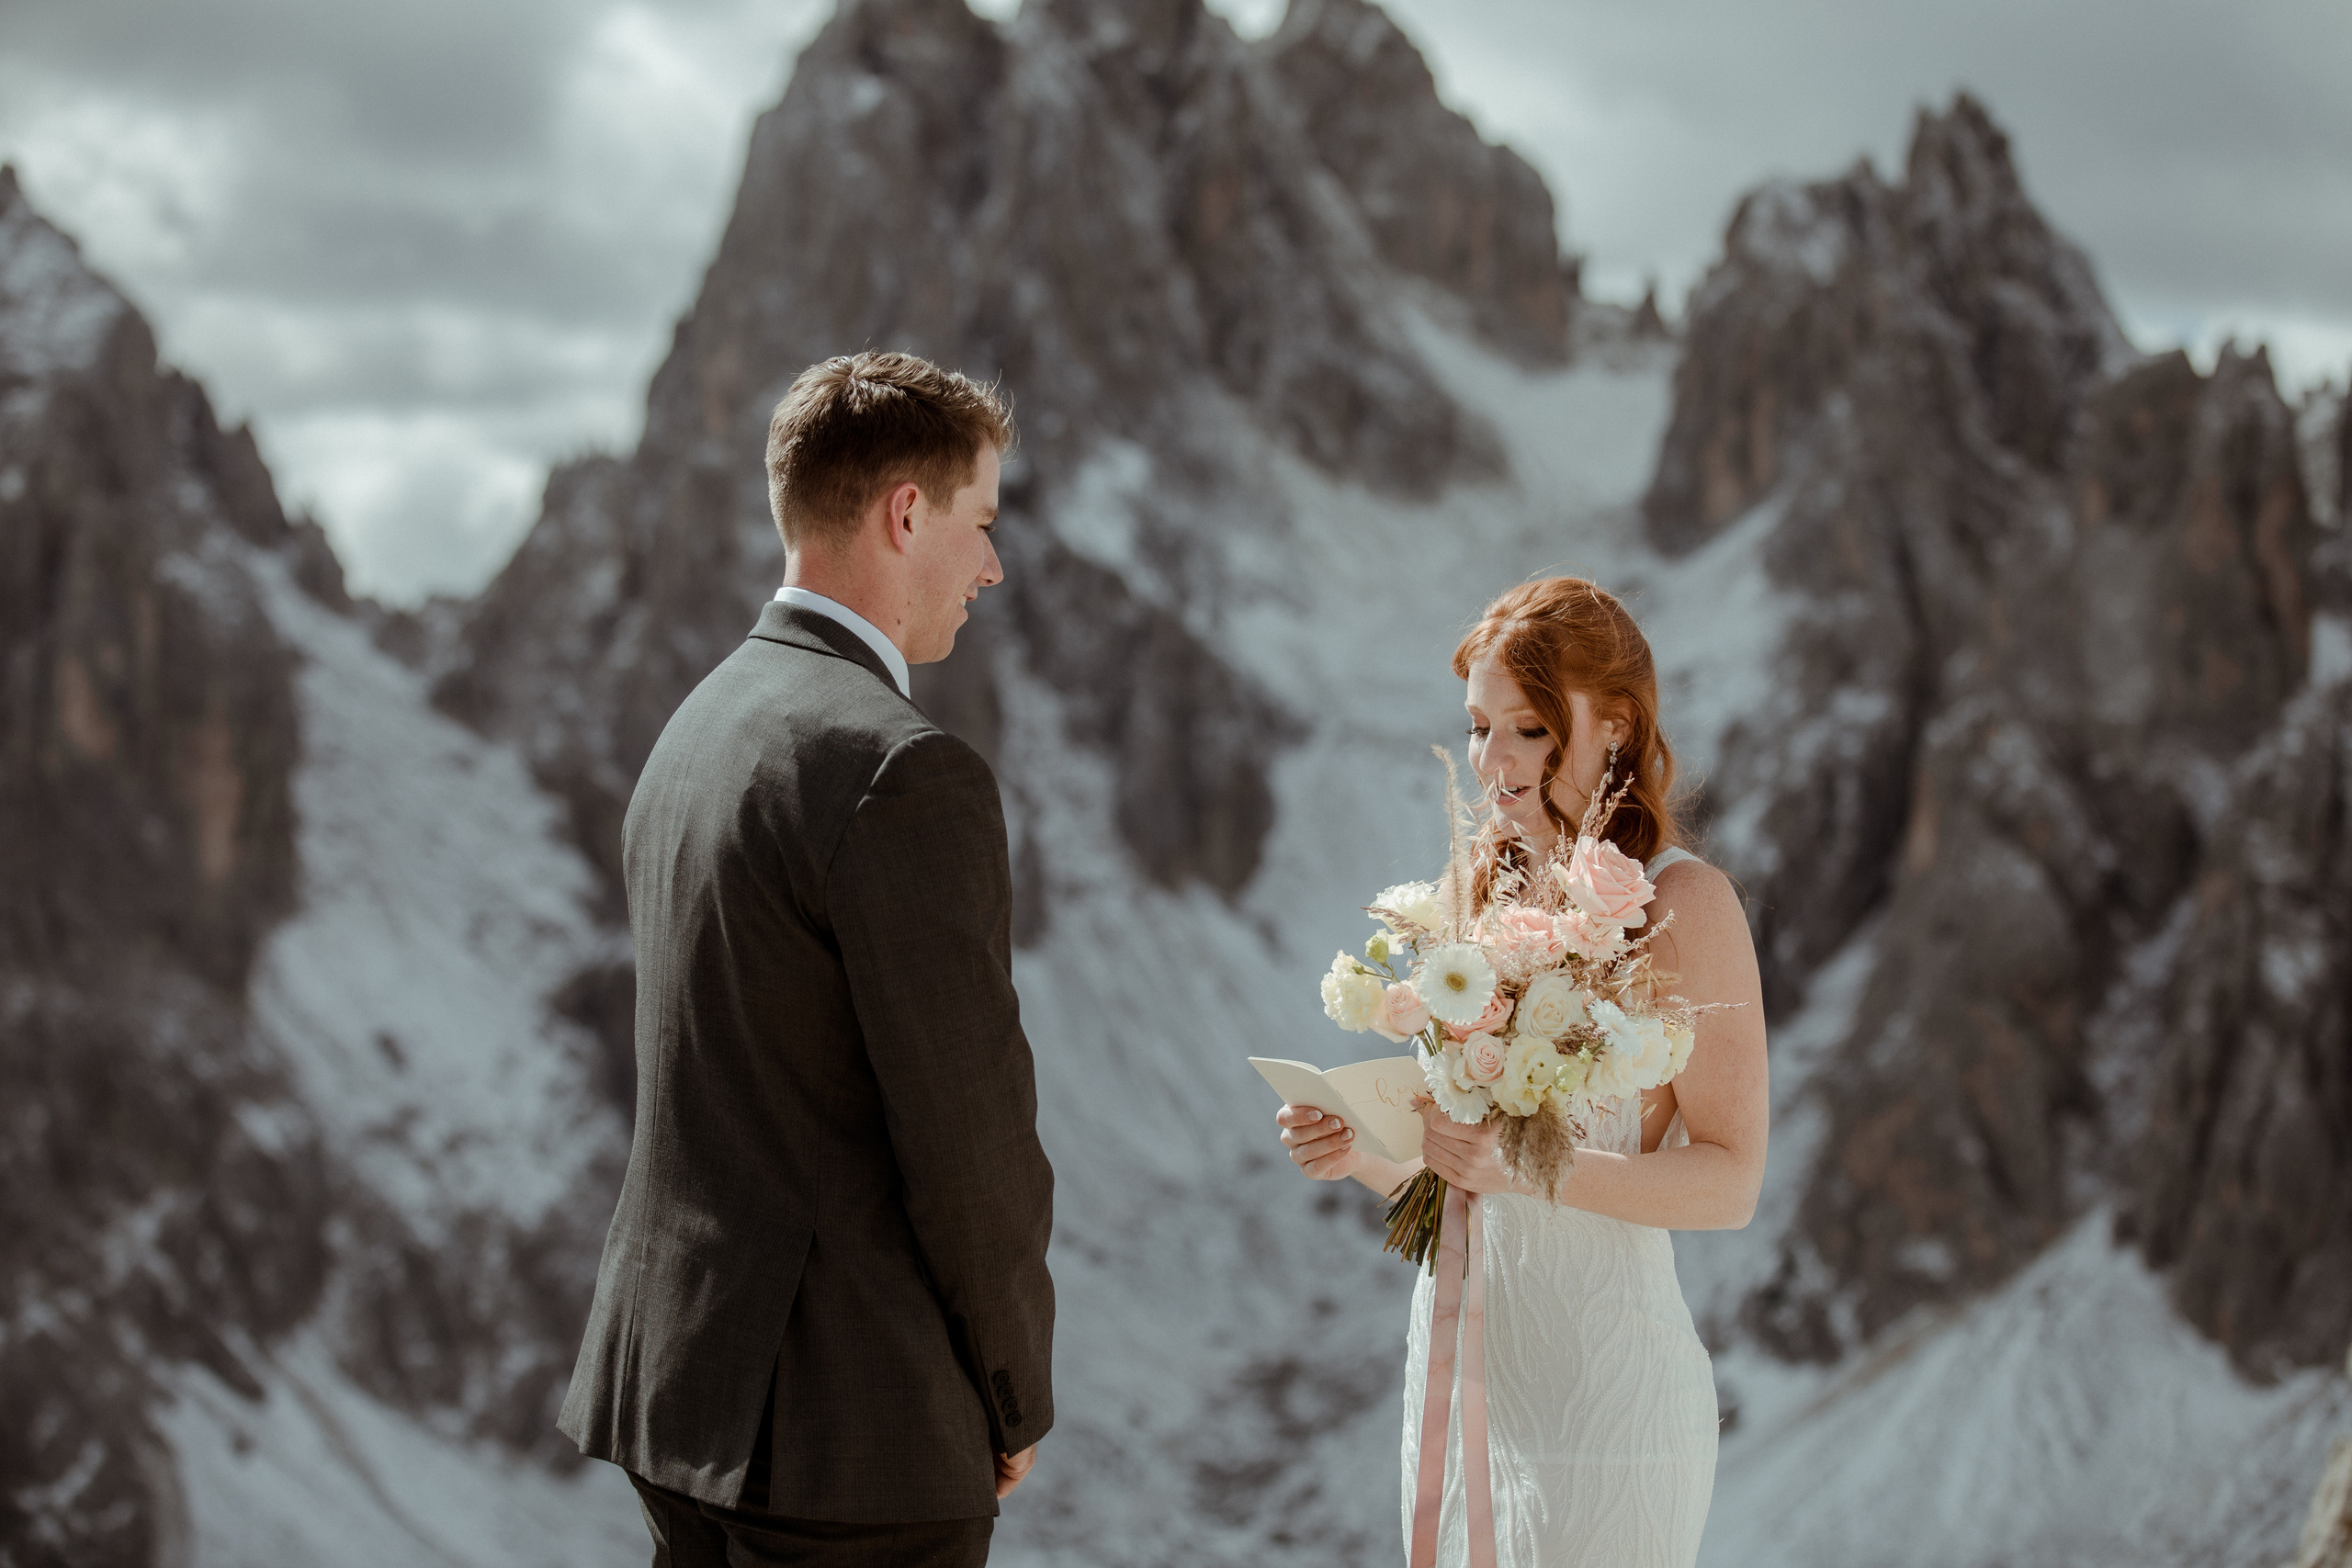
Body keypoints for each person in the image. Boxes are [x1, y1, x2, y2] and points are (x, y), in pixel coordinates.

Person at [559, 351, 1057, 1568]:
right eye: (981, 523)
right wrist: (1010, 1389)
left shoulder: (695, 727)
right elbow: (969, 1140)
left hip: (680, 1392)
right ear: (904, 512)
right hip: (852, 1431)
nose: (992, 565)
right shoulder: (902, 770)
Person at [1273, 577, 1768, 1568]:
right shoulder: (1474, 902)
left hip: (1606, 1406)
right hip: (1465, 1391)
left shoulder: (1687, 904)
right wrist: (1360, 1153)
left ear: (1615, 727)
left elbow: (1728, 1183)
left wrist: (1525, 1167)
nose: (1493, 764)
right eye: (1477, 727)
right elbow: (1467, 1186)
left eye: (1530, 731)